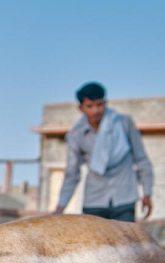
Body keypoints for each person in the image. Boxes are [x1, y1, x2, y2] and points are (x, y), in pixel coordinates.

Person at [54, 82, 153, 221]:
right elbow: (72, 174)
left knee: (125, 242)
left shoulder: (124, 123)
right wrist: (60, 207)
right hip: (94, 201)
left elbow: (141, 159)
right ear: (81, 108)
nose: (95, 110)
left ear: (105, 103)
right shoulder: (77, 135)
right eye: (90, 106)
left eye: (99, 104)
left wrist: (147, 193)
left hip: (124, 199)